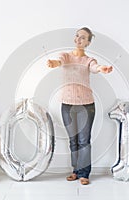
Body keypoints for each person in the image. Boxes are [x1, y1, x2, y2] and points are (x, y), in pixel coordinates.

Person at [47, 27, 113, 185]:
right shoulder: (66, 56)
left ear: (88, 43)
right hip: (67, 105)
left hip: (86, 105)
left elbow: (95, 68)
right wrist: (53, 63)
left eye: (83, 38)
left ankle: (84, 173)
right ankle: (75, 170)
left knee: (84, 140)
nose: (78, 39)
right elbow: (60, 61)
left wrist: (102, 69)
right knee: (73, 140)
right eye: (77, 36)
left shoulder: (89, 61)